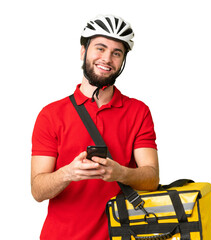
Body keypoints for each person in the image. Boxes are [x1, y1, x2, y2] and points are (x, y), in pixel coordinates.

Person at [31, 14, 159, 240]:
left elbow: (151, 178)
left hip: (122, 235)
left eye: (116, 53)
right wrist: (67, 173)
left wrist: (121, 173)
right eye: (100, 48)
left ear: (122, 60)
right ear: (83, 51)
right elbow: (38, 190)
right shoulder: (50, 115)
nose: (107, 58)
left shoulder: (139, 112)